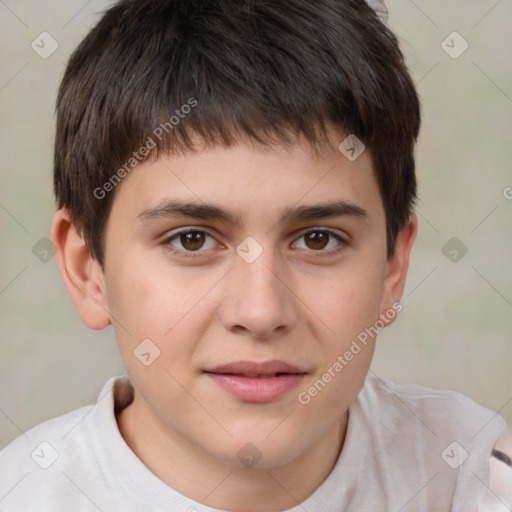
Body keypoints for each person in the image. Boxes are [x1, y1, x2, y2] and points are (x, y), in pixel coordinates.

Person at [0, 0, 510, 510]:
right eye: (192, 240)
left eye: (318, 239)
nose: (261, 312)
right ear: (88, 269)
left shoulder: (472, 478)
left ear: (392, 268)